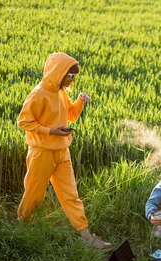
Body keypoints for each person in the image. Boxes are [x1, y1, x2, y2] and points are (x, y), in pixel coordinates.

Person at [17, 52, 112, 250]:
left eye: (74, 76)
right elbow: (23, 122)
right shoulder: (38, 94)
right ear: (57, 72)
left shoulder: (61, 92)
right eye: (70, 75)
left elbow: (71, 115)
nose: (72, 79)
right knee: (34, 194)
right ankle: (22, 227)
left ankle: (86, 235)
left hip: (62, 151)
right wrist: (50, 131)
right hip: (41, 153)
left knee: (71, 195)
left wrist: (80, 101)